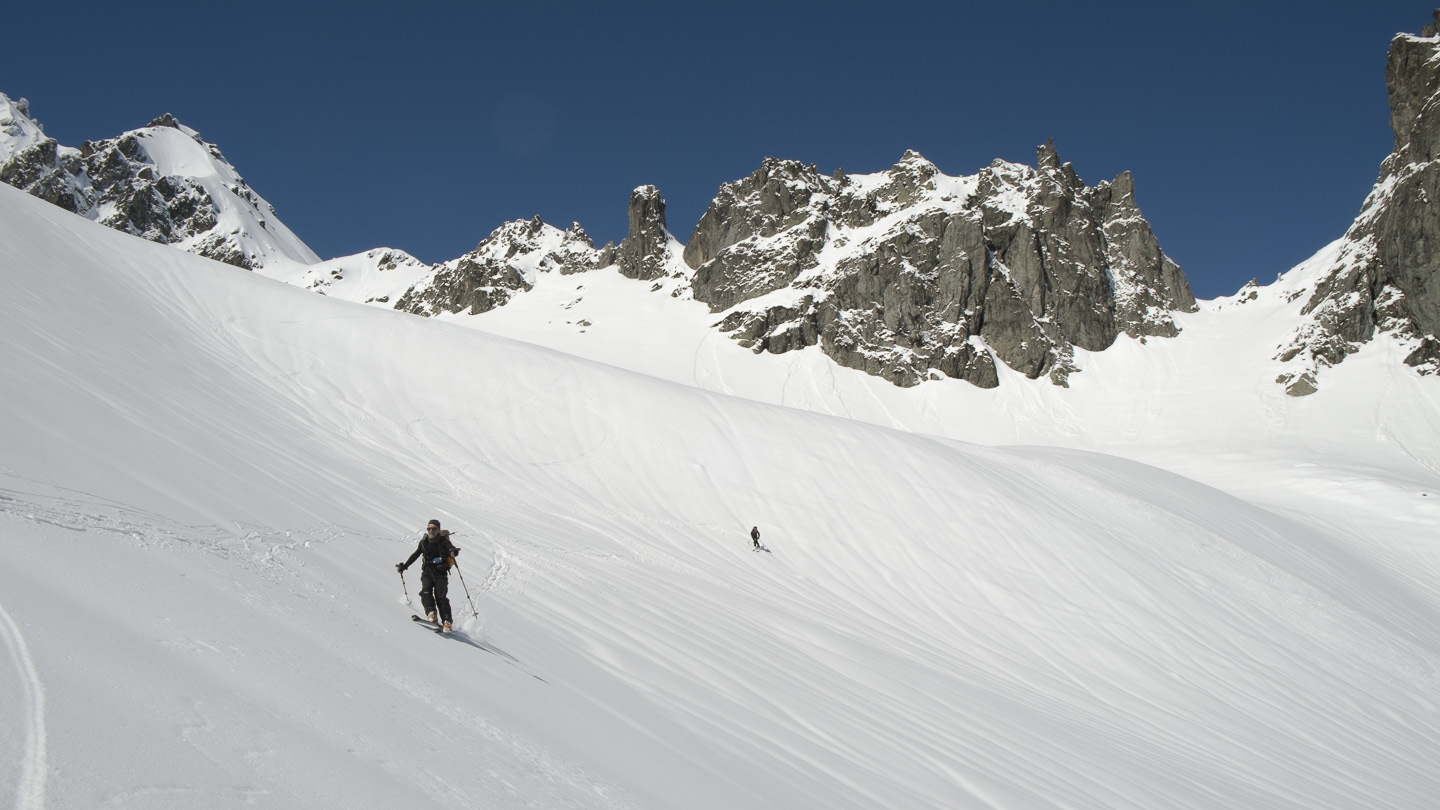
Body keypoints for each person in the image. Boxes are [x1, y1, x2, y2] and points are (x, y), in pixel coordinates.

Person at [397, 519, 461, 632]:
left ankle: (447, 621)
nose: (431, 530)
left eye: (434, 528)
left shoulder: (443, 542)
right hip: (427, 571)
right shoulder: (424, 542)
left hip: (440, 573)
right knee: (426, 591)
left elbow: (450, 549)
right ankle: (431, 614)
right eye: (429, 528)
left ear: (438, 530)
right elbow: (416, 554)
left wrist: (453, 552)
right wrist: (405, 566)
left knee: (440, 596)